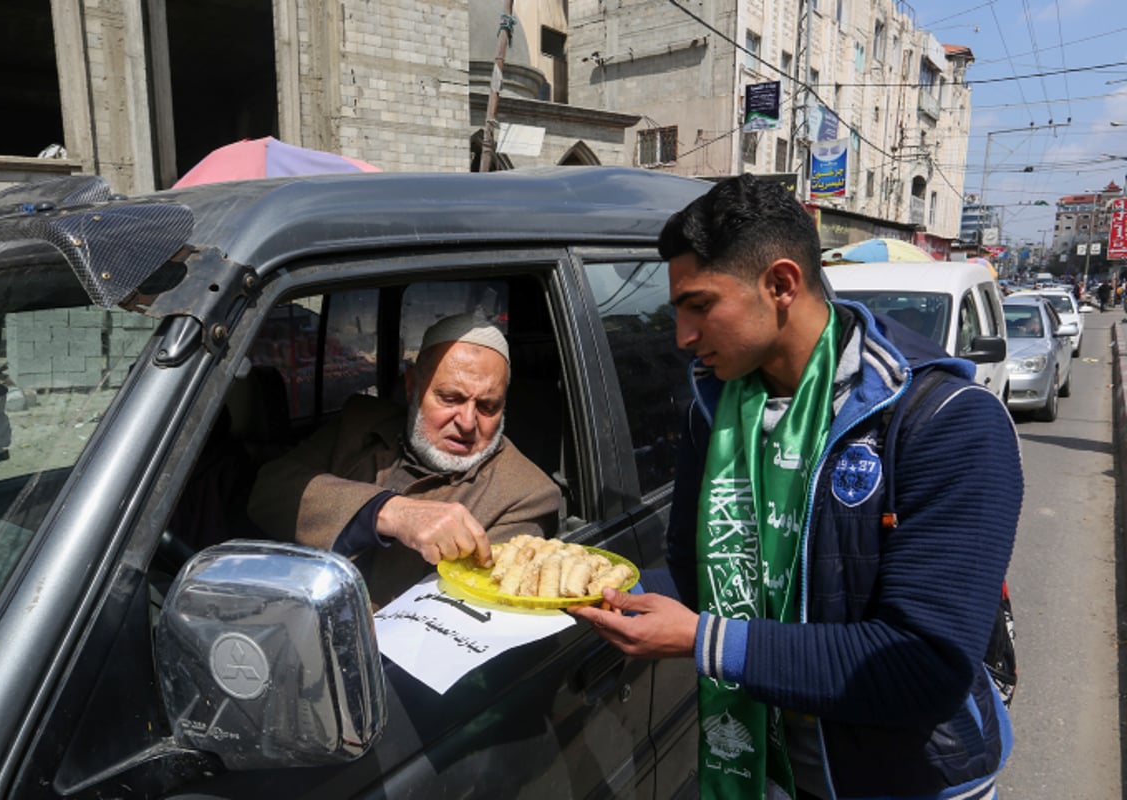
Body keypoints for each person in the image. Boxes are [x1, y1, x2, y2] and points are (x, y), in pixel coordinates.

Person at [570, 175, 1022, 799]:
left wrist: (704, 640)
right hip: (770, 768)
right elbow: (698, 571)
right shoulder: (718, 409)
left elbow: (923, 666)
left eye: (700, 306)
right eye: (677, 311)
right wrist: (588, 587)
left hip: (903, 780)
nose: (682, 337)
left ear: (781, 284)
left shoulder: (945, 419)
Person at [248, 314, 561, 603]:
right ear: (412, 386)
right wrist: (387, 511)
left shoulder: (527, 493)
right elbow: (269, 492)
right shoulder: (359, 422)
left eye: (488, 407)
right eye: (450, 398)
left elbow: (463, 612)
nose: (467, 422)